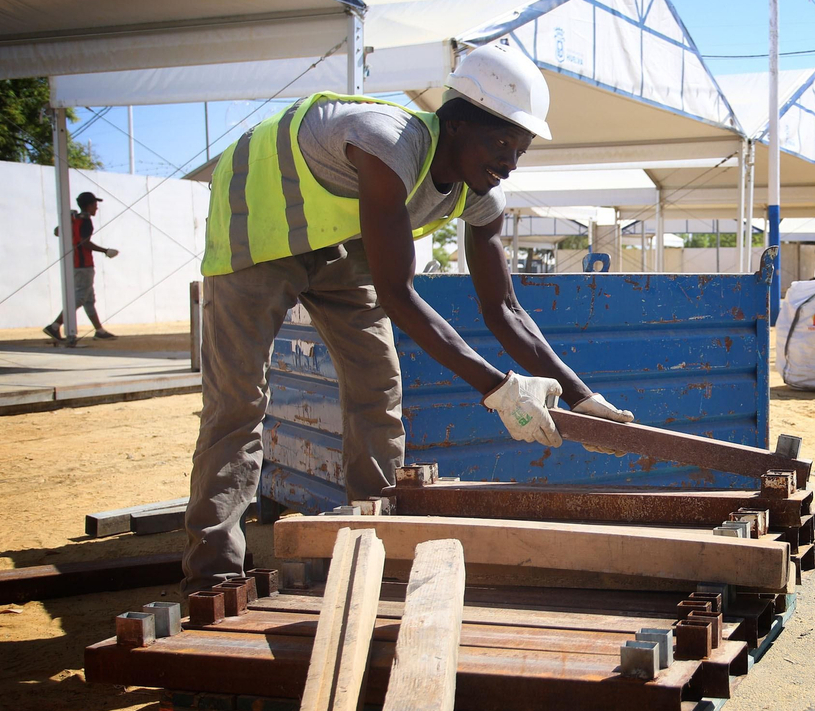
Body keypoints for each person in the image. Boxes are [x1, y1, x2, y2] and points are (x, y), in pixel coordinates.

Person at [181, 40, 633, 594]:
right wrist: (499, 390)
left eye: (521, 148)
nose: (510, 163)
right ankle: (214, 572)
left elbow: (506, 310)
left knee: (377, 387)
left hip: (342, 240)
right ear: (457, 124)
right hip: (259, 224)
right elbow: (397, 293)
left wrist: (584, 397)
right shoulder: (386, 142)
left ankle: (375, 539)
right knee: (238, 403)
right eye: (502, 141)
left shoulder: (480, 194)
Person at [44, 191, 119, 343]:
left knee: (89, 299)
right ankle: (55, 325)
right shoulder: (85, 222)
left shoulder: (74, 219)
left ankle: (99, 330)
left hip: (74, 263)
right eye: (95, 205)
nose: (96, 209)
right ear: (89, 205)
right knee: (80, 298)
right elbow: (84, 242)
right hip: (83, 264)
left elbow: (57, 232)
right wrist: (105, 251)